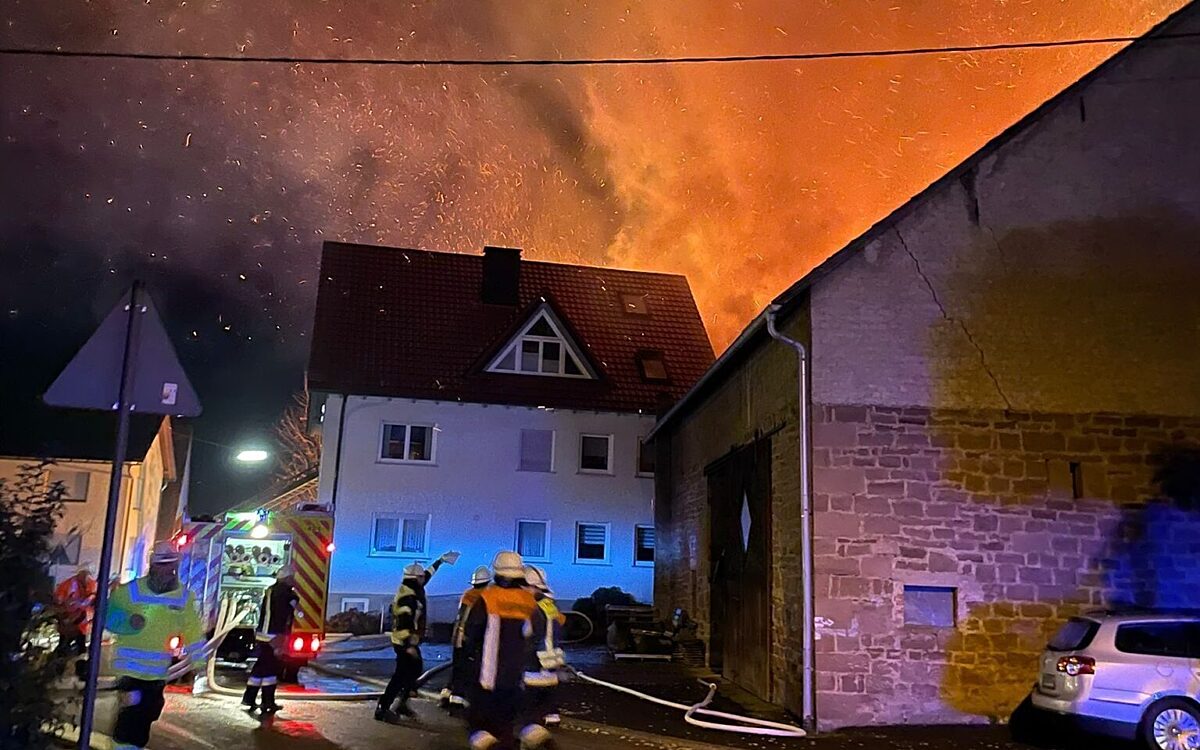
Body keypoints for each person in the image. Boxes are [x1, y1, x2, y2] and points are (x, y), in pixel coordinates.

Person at [105, 541, 206, 750]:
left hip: (157, 673)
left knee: (149, 712)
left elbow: (192, 630)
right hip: (129, 670)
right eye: (162, 565)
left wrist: (198, 661)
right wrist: (127, 621)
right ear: (153, 565)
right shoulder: (129, 591)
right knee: (131, 716)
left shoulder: (183, 597)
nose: (167, 570)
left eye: (171, 565)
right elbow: (107, 617)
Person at [462, 551, 538, 750]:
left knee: (480, 724)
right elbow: (531, 635)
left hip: (487, 675)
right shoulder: (528, 600)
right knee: (506, 723)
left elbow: (472, 632)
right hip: (515, 675)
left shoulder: (488, 597)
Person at [376, 550, 459, 722]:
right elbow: (404, 621)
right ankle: (383, 708)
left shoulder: (413, 588)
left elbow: (427, 575)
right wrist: (409, 646)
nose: (424, 579)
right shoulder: (408, 597)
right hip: (403, 642)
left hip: (406, 641)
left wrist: (440, 561)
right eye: (421, 577)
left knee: (413, 671)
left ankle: (402, 702)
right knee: (401, 675)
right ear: (415, 579)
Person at [241, 564, 299, 714]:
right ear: (287, 578)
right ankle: (267, 701)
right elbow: (287, 616)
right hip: (273, 635)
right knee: (270, 669)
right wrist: (281, 638)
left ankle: (250, 697)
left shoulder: (270, 590)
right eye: (292, 578)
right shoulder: (287, 594)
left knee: (261, 666)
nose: (294, 580)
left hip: (262, 634)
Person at [521, 565, 567, 740]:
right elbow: (559, 623)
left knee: (532, 687)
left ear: (532, 586)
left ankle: (533, 726)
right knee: (549, 684)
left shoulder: (531, 607)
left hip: (534, 654)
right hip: (552, 653)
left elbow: (526, 631)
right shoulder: (548, 604)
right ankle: (552, 714)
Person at [442, 564, 492, 710]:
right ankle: (458, 699)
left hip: (457, 636)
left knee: (457, 667)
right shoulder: (484, 597)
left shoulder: (467, 594)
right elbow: (478, 621)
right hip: (470, 638)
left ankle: (446, 694)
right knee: (468, 669)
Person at [55, 566, 97, 654]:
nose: (84, 577)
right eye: (83, 574)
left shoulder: (91, 584)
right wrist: (63, 603)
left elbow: (92, 596)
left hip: (82, 613)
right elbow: (59, 597)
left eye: (86, 574)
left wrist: (84, 603)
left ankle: (79, 649)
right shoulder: (68, 584)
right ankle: (63, 648)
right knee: (66, 630)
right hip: (69, 611)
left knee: (80, 631)